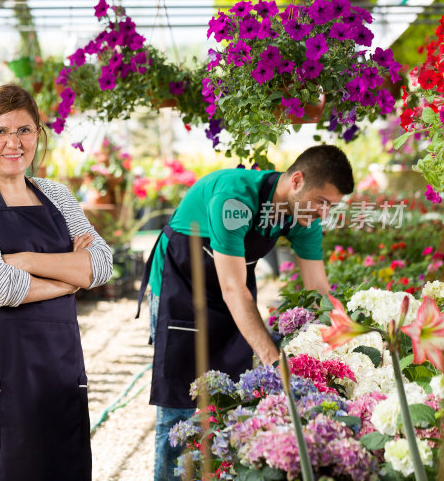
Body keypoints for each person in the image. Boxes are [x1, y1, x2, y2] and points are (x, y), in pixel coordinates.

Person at [137, 145, 354, 481]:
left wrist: (346, 339)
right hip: (181, 289)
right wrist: (273, 358)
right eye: (323, 202)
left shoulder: (303, 215)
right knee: (179, 409)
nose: (324, 213)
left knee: (229, 403)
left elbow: (318, 291)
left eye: (332, 206)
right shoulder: (235, 199)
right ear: (297, 181)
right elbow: (234, 290)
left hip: (228, 294)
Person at [0, 84, 113, 481]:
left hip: (56, 371)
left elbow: (101, 265)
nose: (13, 142)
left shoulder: (57, 194)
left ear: (38, 134)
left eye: (25, 130)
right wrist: (70, 277)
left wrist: (27, 261)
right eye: (0, 131)